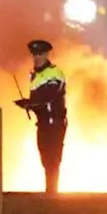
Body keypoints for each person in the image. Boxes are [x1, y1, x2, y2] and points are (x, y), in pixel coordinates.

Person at [15, 39, 67, 195]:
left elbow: (49, 97)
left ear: (46, 54)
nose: (36, 57)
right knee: (44, 156)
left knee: (53, 157)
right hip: (43, 123)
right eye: (34, 54)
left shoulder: (55, 73)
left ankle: (52, 192)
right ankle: (50, 190)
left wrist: (30, 104)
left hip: (55, 122)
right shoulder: (35, 76)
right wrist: (28, 104)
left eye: (40, 54)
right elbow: (39, 100)